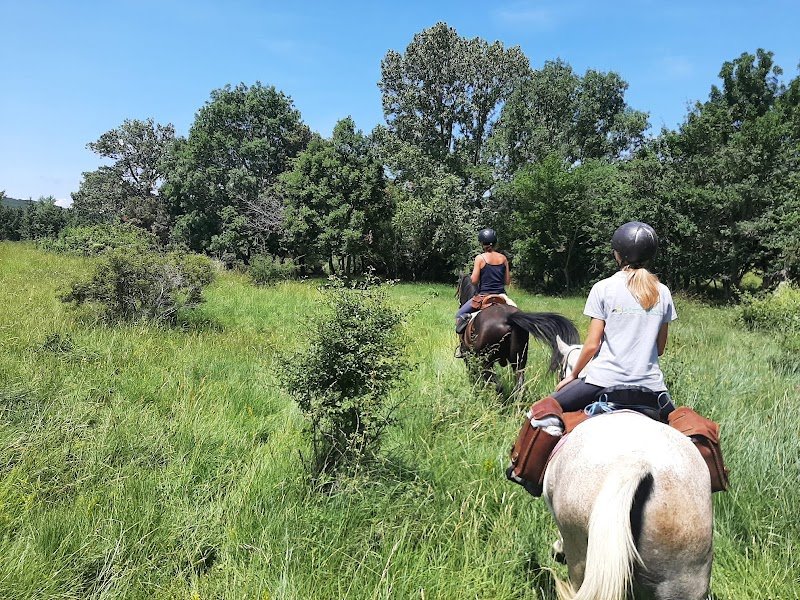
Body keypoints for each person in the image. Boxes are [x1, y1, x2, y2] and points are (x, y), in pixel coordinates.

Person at [548, 220, 676, 414]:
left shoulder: (603, 288)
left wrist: (573, 375)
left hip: (603, 381)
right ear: (650, 255)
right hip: (652, 388)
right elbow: (659, 349)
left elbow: (592, 345)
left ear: (618, 254)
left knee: (541, 413)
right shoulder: (663, 291)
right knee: (685, 428)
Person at [455, 228, 517, 336]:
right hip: (502, 296)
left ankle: (463, 346)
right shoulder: (503, 258)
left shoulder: (480, 258)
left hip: (484, 296)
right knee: (518, 314)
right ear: (495, 243)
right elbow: (507, 281)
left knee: (460, 314)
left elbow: (474, 280)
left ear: (482, 243)